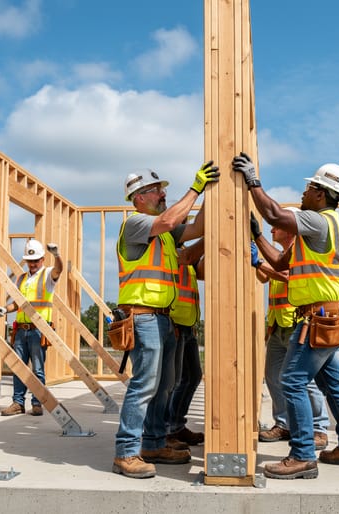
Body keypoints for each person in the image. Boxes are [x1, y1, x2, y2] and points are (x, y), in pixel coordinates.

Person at [233, 153, 339, 480]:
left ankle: (303, 455)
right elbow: (279, 263)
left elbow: (275, 213)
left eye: (308, 188)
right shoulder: (320, 230)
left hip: (319, 319)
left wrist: (253, 181)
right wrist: (258, 237)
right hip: (329, 317)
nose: (303, 193)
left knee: (292, 380)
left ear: (321, 193)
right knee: (331, 383)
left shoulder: (319, 221)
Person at [112, 162, 219, 479]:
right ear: (139, 197)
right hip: (143, 318)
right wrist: (196, 188)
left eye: (162, 189)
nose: (163, 194)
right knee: (144, 386)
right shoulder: (135, 224)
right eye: (156, 190)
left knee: (164, 386)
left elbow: (197, 228)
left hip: (164, 319)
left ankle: (154, 443)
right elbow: (171, 219)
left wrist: (213, 192)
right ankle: (126, 452)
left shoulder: (167, 236)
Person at [253, 210, 329, 451]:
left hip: (299, 323)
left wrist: (261, 263)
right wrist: (257, 263)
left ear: (290, 229)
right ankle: (284, 423)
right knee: (273, 376)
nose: (273, 229)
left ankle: (319, 428)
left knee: (306, 381)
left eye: (276, 226)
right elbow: (265, 279)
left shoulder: (300, 249)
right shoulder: (280, 253)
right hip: (278, 324)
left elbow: (288, 276)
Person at [0, 239, 63, 416]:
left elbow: (59, 270)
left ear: (42, 259)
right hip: (20, 329)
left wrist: (56, 255)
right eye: (29, 261)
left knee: (37, 369)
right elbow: (17, 304)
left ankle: (37, 402)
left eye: (35, 260)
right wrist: (5, 309)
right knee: (18, 367)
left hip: (38, 330)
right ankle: (18, 403)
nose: (32, 264)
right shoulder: (22, 279)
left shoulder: (47, 275)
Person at [165, 242, 205, 449]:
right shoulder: (173, 251)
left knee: (192, 376)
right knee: (172, 381)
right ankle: (165, 431)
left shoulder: (187, 253)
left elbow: (203, 272)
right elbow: (189, 257)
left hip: (188, 324)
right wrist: (210, 234)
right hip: (174, 323)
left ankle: (176, 425)